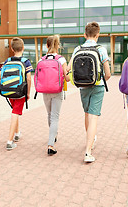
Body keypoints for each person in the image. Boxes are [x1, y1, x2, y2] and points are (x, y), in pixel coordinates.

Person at [67, 22, 111, 163]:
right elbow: (108, 74)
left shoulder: (77, 49)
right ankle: (88, 151)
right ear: (98, 35)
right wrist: (99, 80)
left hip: (82, 87)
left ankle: (90, 139)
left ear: (84, 35)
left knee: (87, 114)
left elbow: (67, 69)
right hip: (98, 86)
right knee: (94, 117)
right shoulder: (101, 49)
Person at [0, 37, 33, 150]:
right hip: (20, 92)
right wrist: (28, 93)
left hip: (9, 91)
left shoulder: (8, 61)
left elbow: (0, 76)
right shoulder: (25, 62)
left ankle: (17, 133)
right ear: (23, 48)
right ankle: (9, 141)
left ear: (12, 49)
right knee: (15, 113)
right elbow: (28, 78)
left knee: (15, 111)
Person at [40, 35, 70, 155]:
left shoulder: (41, 60)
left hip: (44, 91)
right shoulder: (61, 59)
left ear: (46, 46)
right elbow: (67, 79)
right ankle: (51, 144)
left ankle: (53, 136)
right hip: (57, 91)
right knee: (55, 117)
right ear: (58, 46)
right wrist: (68, 71)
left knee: (49, 114)